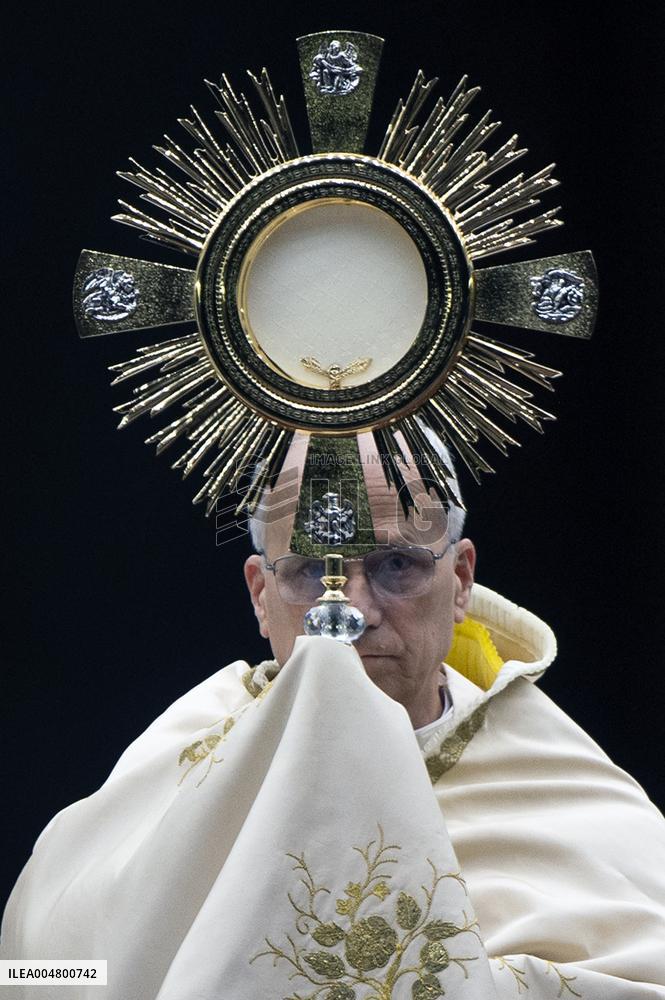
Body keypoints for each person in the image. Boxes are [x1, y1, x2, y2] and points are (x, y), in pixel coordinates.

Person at [2, 430, 665, 1000]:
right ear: (260, 595)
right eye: (308, 573)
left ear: (459, 581)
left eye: (396, 566)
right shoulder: (179, 756)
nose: (348, 612)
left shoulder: (568, 793)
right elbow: (43, 973)